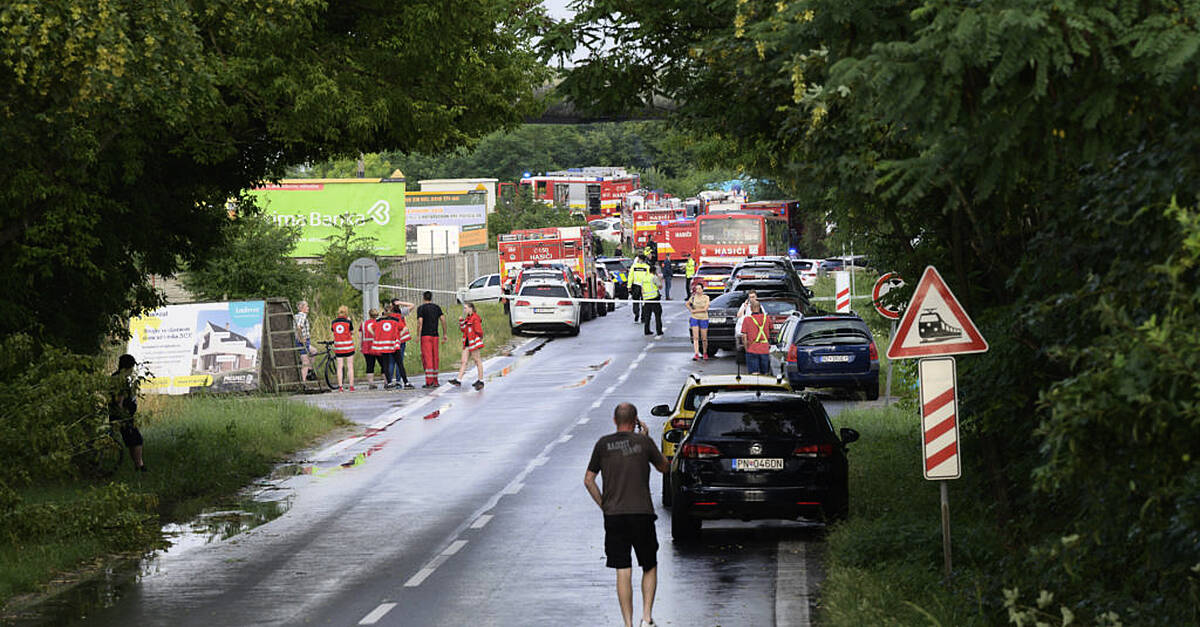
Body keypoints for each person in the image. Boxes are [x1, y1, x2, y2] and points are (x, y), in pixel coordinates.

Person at [584, 403, 668, 627]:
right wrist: (647, 438)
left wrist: (604, 505)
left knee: (623, 569)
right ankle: (646, 618)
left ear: (614, 421)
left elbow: (588, 480)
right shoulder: (644, 442)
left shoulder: (603, 444)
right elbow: (664, 468)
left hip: (614, 516)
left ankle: (628, 624)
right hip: (641, 513)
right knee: (649, 565)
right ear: (636, 421)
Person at [109, 354, 146, 471]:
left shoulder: (114, 377)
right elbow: (119, 400)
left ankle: (138, 465)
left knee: (131, 440)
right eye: (132, 367)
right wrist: (123, 416)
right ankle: (140, 466)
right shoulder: (121, 380)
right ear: (128, 367)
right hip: (123, 416)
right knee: (137, 439)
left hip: (118, 414)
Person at [448, 302, 485, 390]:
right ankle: (458, 380)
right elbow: (463, 329)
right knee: (464, 361)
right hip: (467, 342)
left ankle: (481, 380)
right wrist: (461, 321)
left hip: (473, 342)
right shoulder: (468, 318)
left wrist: (478, 339)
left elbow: (479, 331)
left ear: (470, 309)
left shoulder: (475, 318)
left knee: (477, 360)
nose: (464, 310)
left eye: (465, 308)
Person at [416, 291, 448, 387]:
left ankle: (429, 381)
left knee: (427, 358)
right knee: (435, 358)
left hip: (425, 336)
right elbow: (443, 320)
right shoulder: (436, 307)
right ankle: (435, 381)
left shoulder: (421, 308)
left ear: (423, 298)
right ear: (431, 298)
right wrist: (445, 334)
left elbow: (420, 322)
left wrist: (418, 335)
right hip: (435, 336)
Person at [385, 302, 415, 389]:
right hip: (401, 340)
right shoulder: (400, 314)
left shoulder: (386, 318)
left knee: (390, 362)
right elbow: (412, 306)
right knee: (399, 361)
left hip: (390, 341)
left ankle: (389, 381)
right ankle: (398, 380)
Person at [741, 300, 772, 375]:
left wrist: (746, 349)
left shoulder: (747, 319)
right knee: (765, 374)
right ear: (760, 308)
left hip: (752, 349)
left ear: (751, 309)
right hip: (764, 349)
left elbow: (744, 337)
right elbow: (771, 330)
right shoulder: (767, 318)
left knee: (754, 375)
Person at [331, 306, 356, 391]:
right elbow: (352, 332)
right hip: (348, 347)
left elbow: (333, 331)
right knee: (350, 366)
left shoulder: (333, 322)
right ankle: (351, 386)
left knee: (339, 366)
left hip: (338, 348)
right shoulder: (348, 322)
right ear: (346, 313)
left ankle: (340, 386)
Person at [685, 283, 710, 360]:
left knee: (704, 338)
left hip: (703, 318)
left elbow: (705, 309)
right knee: (695, 337)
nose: (698, 291)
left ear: (702, 289)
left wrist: (695, 311)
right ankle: (696, 353)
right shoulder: (693, 297)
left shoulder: (706, 297)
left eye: (699, 289)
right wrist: (691, 310)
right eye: (696, 289)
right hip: (694, 318)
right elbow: (687, 304)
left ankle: (705, 352)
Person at [627, 255, 651, 323]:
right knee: (644, 302)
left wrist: (629, 286)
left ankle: (636, 313)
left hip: (636, 286)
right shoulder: (647, 267)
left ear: (639, 259)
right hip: (644, 286)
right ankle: (643, 317)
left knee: (636, 301)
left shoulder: (634, 267)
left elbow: (630, 277)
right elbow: (649, 277)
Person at [641, 265, 663, 337]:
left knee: (647, 316)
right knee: (657, 315)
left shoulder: (644, 278)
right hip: (654, 298)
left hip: (646, 299)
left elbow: (642, 288)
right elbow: (660, 287)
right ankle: (659, 331)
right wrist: (659, 279)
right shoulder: (654, 277)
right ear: (654, 271)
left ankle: (646, 330)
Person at [361, 307, 381, 389]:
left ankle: (371, 383)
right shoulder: (379, 323)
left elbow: (360, 336)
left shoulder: (363, 324)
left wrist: (360, 346)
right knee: (383, 364)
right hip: (377, 346)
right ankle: (387, 381)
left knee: (369, 365)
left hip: (367, 346)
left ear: (369, 315)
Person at [294, 300, 313, 382]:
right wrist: (301, 338)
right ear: (302, 308)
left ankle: (310, 370)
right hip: (303, 341)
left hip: (303, 340)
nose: (308, 308)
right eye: (306, 306)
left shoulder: (296, 316)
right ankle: (303, 382)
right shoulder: (303, 316)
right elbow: (299, 327)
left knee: (314, 351)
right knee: (305, 362)